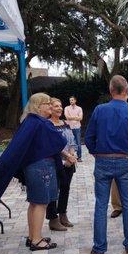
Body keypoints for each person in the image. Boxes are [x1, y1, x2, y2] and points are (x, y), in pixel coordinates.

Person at [0, 93, 66, 250]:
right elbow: (60, 140)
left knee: (35, 202)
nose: (51, 106)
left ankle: (33, 236)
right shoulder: (39, 123)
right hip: (41, 167)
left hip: (35, 167)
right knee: (41, 203)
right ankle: (37, 240)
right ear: (38, 106)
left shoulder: (31, 121)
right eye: (48, 104)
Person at [85, 76, 128, 254]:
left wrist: (95, 152)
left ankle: (99, 249)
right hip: (125, 162)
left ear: (111, 90)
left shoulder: (99, 110)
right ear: (126, 91)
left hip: (103, 161)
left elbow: (88, 137)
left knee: (100, 204)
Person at [45, 98, 78, 231]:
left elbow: (72, 141)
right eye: (56, 106)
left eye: (60, 106)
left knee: (65, 188)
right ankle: (53, 219)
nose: (59, 108)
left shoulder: (65, 123)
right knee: (54, 190)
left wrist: (72, 155)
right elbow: (52, 145)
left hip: (68, 163)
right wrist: (67, 157)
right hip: (54, 163)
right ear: (50, 108)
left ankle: (63, 215)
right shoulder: (47, 124)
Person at [64, 96, 83, 161]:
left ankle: (79, 157)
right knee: (69, 142)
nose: (71, 101)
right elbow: (67, 117)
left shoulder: (79, 108)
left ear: (75, 100)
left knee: (78, 142)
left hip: (77, 127)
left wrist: (71, 117)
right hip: (69, 127)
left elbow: (81, 118)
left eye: (72, 100)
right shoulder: (66, 108)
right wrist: (76, 117)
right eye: (70, 100)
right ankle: (69, 156)